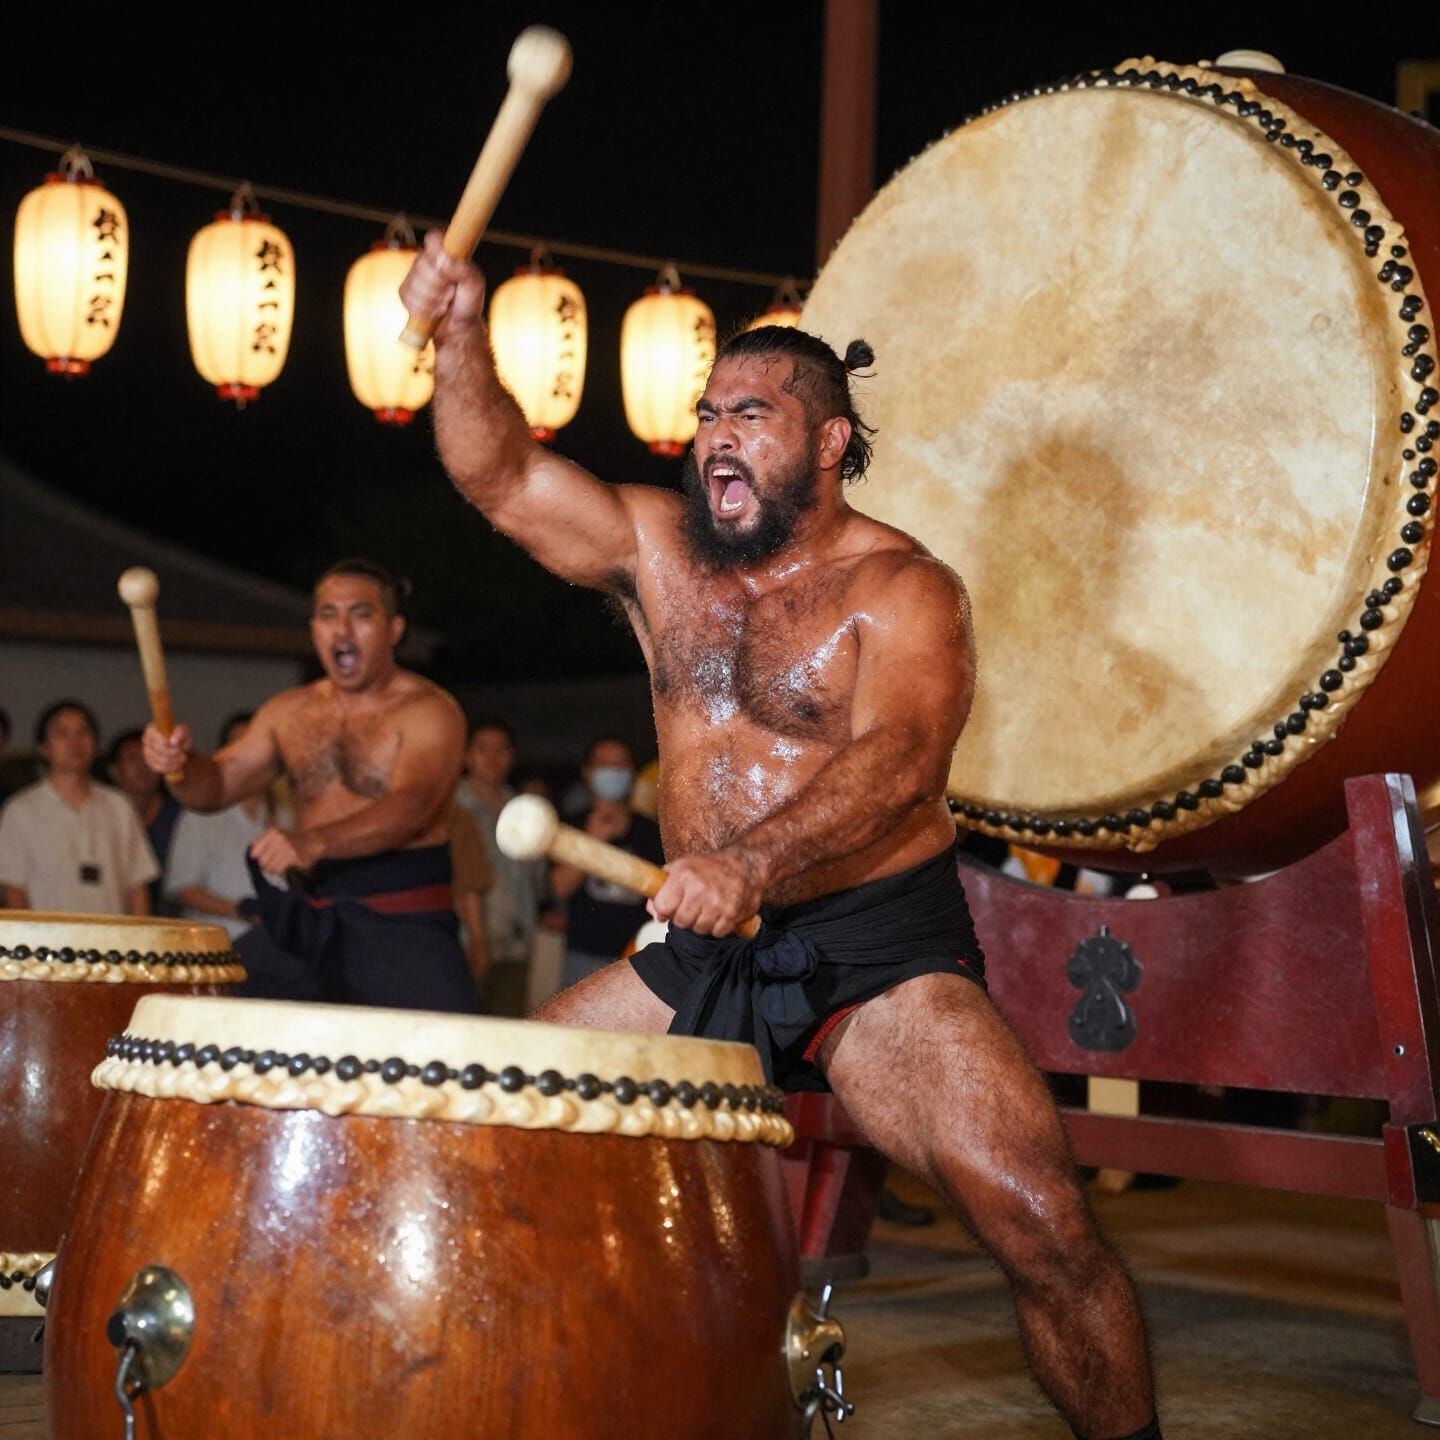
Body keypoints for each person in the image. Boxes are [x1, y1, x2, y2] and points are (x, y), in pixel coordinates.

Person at [400, 234, 1161, 1440]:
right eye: (708, 414)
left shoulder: (906, 589)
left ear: (828, 442)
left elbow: (901, 761)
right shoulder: (659, 554)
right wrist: (456, 337)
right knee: (475, 1124)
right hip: (703, 950)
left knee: (1043, 1222)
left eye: (749, 415)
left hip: (874, 949)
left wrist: (752, 861)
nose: (715, 437)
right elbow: (500, 478)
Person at [142, 559, 479, 1013]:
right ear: (314, 629)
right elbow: (216, 785)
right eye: (328, 615)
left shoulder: (430, 711)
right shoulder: (290, 711)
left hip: (403, 921)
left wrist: (314, 841)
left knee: (451, 1066)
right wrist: (179, 766)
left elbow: (412, 806)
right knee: (205, 1014)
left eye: (360, 614)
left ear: (393, 628)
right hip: (310, 912)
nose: (342, 629)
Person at [0, 699, 158, 914]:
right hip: (47, 943)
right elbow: (12, 888)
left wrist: (141, 940)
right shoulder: (20, 810)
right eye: (62, 733)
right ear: (43, 748)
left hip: (111, 940)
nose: (74, 742)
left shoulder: (119, 805)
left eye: (83, 732)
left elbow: (137, 884)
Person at [548, 736, 663, 989]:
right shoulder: (570, 826)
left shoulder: (652, 833)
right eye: (603, 764)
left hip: (637, 958)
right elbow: (559, 887)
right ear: (588, 773)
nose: (612, 771)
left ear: (632, 772)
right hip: (581, 957)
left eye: (619, 765)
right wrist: (593, 840)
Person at [454, 718, 545, 1015]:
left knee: (508, 1029)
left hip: (517, 943)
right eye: (483, 749)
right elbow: (463, 880)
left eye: (501, 750)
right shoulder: (452, 808)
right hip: (465, 943)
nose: (492, 759)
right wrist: (477, 940)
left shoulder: (523, 809)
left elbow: (536, 880)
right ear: (466, 756)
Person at [163, 713, 269, 939]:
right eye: (239, 748)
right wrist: (242, 910)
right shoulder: (199, 813)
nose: (250, 759)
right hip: (216, 947)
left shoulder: (288, 812)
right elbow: (183, 888)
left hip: (276, 949)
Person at [109, 727, 182, 915]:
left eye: (148, 759)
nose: (142, 767)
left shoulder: (180, 817)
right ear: (114, 770)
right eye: (133, 759)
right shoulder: (103, 816)